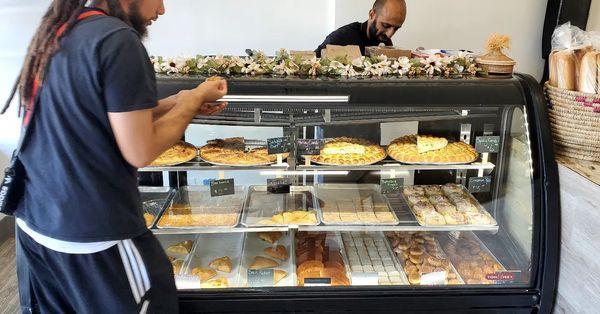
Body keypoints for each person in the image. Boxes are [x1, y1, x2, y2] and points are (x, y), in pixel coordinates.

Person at [12, 0, 227, 312]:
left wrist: (177, 100)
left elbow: (99, 113)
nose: (162, 9)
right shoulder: (118, 39)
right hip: (95, 235)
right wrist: (193, 100)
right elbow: (141, 149)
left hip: (40, 226)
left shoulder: (65, 28)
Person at [315, 0, 407, 57]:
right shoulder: (341, 37)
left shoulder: (385, 41)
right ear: (372, 14)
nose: (389, 34)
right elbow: (310, 66)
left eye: (396, 28)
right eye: (385, 25)